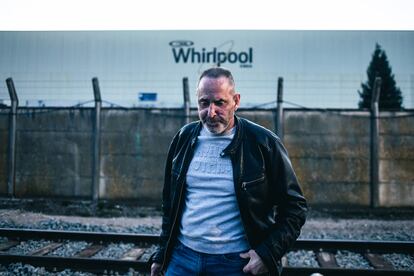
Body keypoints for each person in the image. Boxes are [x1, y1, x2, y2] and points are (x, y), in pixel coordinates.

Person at [151, 67, 307, 276]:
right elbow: (170, 204)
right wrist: (162, 254)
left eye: (220, 103)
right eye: (204, 103)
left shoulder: (263, 143)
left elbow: (294, 207)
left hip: (236, 264)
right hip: (182, 258)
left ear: (236, 100)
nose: (211, 112)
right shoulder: (184, 138)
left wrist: (267, 253)